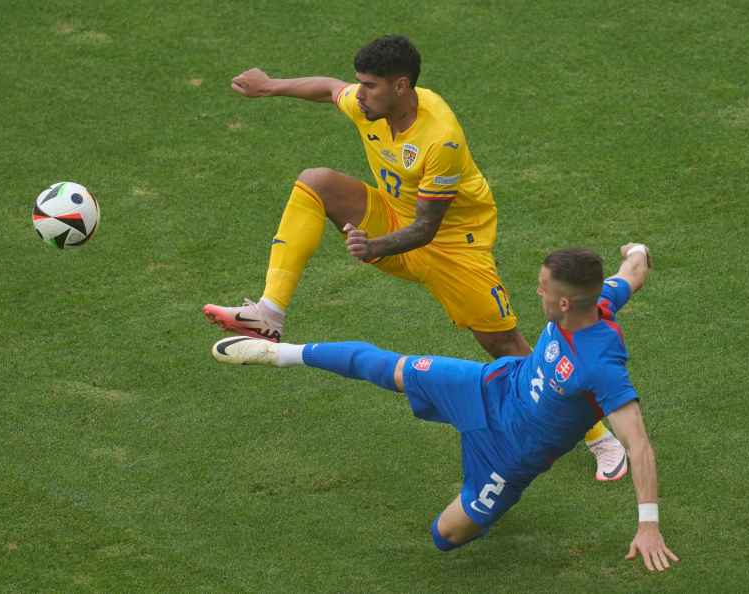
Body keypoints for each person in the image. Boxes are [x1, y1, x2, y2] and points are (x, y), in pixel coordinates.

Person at [203, 34, 626, 480]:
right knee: (316, 181)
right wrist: (268, 85)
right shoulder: (371, 106)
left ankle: (599, 435)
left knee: (505, 346)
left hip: (453, 246)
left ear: (401, 87)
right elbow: (329, 88)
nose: (359, 94)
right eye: (360, 84)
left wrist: (372, 247)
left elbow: (427, 228)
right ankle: (269, 313)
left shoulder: (439, 139)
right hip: (394, 217)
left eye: (370, 86)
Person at [211, 243, 679, 571]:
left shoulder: (602, 364)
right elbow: (634, 272)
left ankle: (475, 512)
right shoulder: (598, 300)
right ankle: (280, 353)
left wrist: (649, 526)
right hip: (489, 387)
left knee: (446, 536)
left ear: (562, 301)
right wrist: (636, 249)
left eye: (541, 287)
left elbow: (637, 444)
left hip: (508, 458)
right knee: (390, 369)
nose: (534, 292)